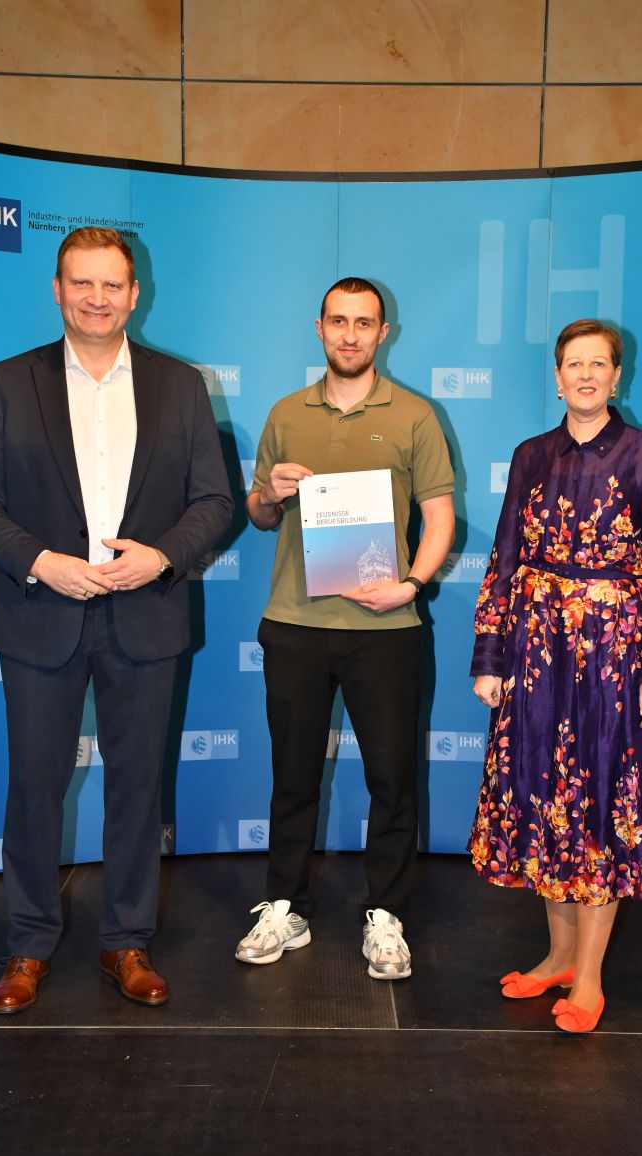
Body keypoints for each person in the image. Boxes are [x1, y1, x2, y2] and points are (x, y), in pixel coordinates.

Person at [0, 226, 233, 1013]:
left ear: (135, 293)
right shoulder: (10, 382)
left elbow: (214, 501)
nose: (97, 298)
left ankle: (126, 941)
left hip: (146, 614)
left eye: (112, 284)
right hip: (40, 611)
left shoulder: (181, 385)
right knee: (34, 788)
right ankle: (28, 943)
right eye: (82, 283)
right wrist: (42, 560)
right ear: (57, 289)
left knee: (138, 789)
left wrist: (162, 556)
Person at [470, 318, 642, 1032]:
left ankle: (590, 976)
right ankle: (559, 956)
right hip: (537, 654)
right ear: (558, 376)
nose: (587, 375)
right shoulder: (531, 455)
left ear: (617, 376)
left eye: (600, 364)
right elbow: (505, 557)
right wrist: (490, 655)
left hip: (616, 661)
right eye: (575, 364)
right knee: (546, 800)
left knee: (601, 806)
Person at [236, 277, 455, 979]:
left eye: (364, 323)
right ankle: (285, 905)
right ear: (320, 327)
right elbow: (258, 513)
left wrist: (411, 585)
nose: (350, 335)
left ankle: (386, 914)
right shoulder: (285, 412)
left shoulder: (415, 415)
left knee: (392, 778)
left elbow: (440, 517)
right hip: (295, 624)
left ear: (383, 333)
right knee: (292, 776)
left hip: (386, 629)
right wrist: (268, 494)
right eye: (339, 321)